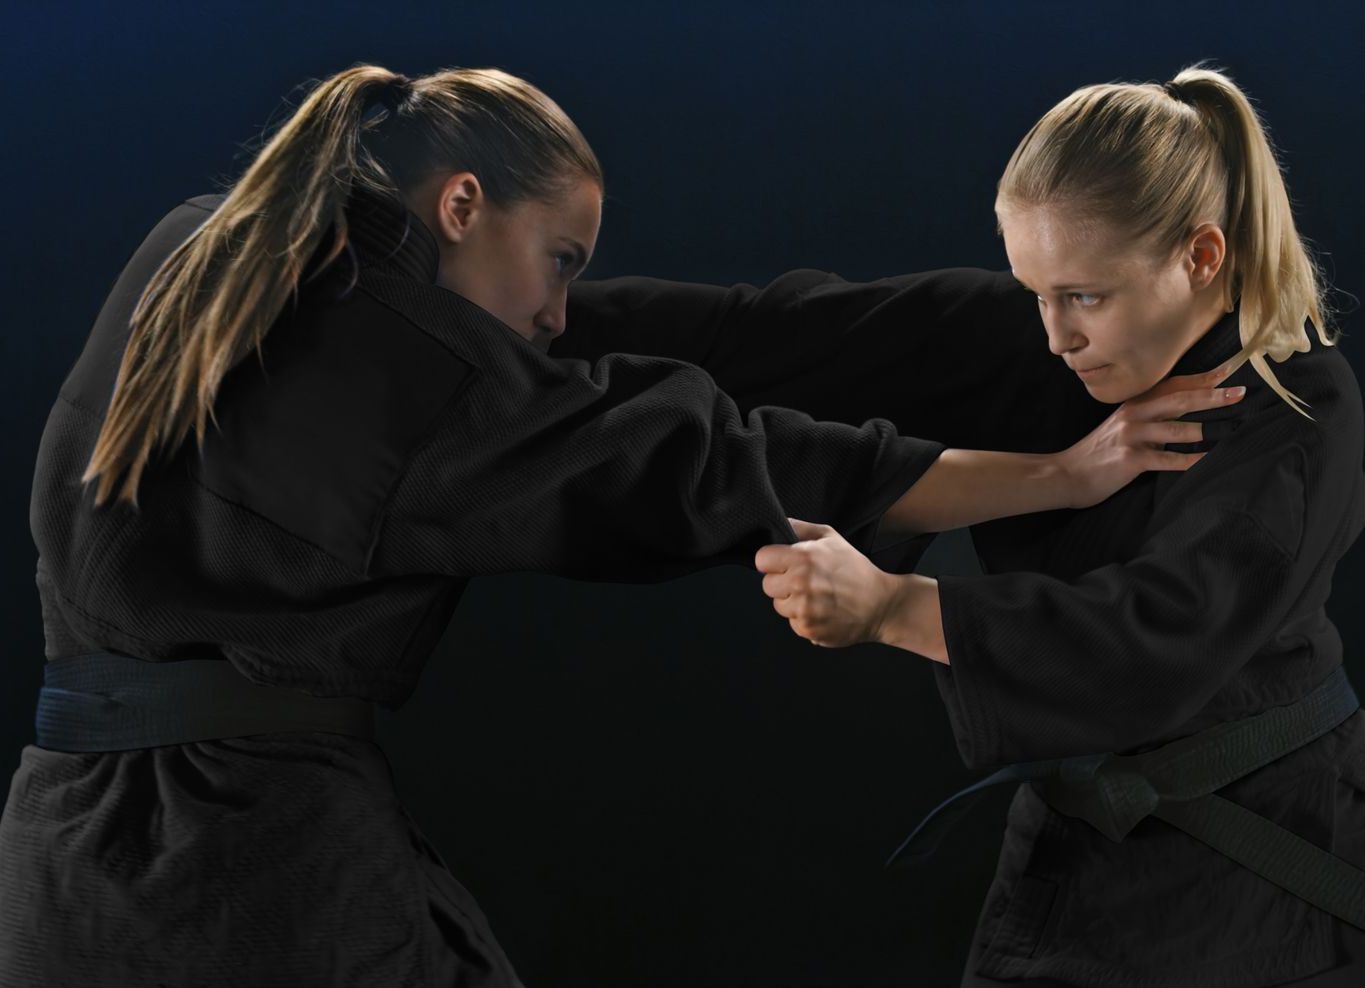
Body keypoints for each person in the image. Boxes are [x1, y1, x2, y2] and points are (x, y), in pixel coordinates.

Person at [0, 62, 1235, 987]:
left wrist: (1018, 323)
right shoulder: (425, 383)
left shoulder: (212, 253)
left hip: (54, 854)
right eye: (561, 259)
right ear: (462, 204)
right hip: (239, 872)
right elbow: (706, 463)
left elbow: (681, 358)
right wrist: (1060, 478)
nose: (558, 312)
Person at [742, 66, 1364, 986]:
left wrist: (894, 607)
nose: (1053, 335)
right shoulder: (1061, 364)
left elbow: (1154, 636)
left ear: (1198, 257)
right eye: (1035, 292)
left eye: (1084, 296)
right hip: (1073, 857)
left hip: (1263, 872)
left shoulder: (1295, 409)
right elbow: (799, 336)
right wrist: (545, 339)